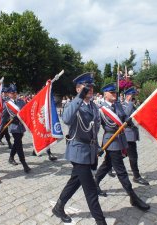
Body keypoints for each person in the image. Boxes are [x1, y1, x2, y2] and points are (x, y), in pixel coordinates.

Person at [52, 72, 107, 225]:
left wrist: (97, 148)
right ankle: (101, 221)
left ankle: (58, 207)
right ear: (77, 89)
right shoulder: (73, 105)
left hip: (88, 152)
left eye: (91, 87)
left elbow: (94, 131)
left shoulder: (94, 107)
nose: (90, 89)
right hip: (77, 151)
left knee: (75, 181)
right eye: (85, 87)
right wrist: (79, 97)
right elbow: (67, 119)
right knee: (90, 190)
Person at [94, 83, 150, 211]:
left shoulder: (118, 105)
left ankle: (95, 183)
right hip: (111, 141)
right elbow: (95, 129)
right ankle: (133, 197)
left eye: (115, 93)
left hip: (120, 139)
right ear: (105, 95)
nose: (115, 95)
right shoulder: (101, 109)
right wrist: (97, 146)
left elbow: (124, 117)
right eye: (112, 93)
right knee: (121, 171)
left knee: (108, 164)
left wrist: (129, 121)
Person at [122, 87, 149, 185]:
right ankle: (136, 176)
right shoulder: (123, 105)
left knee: (123, 154)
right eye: (133, 96)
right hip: (127, 135)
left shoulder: (132, 105)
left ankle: (109, 165)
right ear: (128, 96)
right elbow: (125, 115)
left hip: (132, 134)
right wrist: (130, 103)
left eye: (134, 96)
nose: (134, 98)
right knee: (133, 156)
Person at [6, 84, 31, 173]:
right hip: (14, 127)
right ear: (8, 94)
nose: (14, 94)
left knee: (16, 143)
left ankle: (11, 157)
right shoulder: (7, 103)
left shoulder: (21, 102)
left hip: (21, 126)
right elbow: (8, 116)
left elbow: (26, 110)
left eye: (15, 92)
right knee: (19, 144)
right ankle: (24, 163)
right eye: (12, 93)